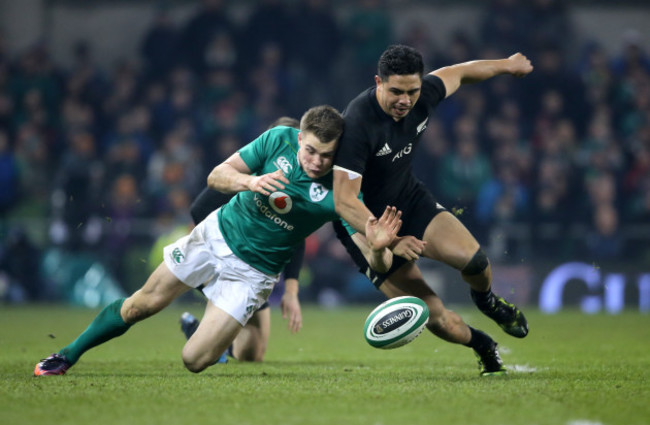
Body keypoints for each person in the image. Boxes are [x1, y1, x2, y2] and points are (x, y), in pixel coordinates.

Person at [34, 105, 406, 376]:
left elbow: (378, 267)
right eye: (309, 151)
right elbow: (217, 175)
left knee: (194, 360)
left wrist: (379, 247)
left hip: (253, 276)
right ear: (299, 138)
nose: (316, 162)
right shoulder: (277, 139)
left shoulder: (343, 191)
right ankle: (66, 355)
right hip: (216, 237)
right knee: (140, 306)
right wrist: (250, 182)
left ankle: (205, 330)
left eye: (326, 156)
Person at [332, 44, 534, 376]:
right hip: (363, 226)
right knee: (431, 313)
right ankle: (483, 346)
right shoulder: (357, 123)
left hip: (408, 199)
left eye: (412, 91)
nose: (405, 100)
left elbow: (462, 71)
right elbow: (344, 201)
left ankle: (488, 302)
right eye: (396, 91)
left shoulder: (424, 93)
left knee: (476, 262)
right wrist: (392, 242)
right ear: (378, 82)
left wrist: (506, 64)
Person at [180, 116, 304, 363]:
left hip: (256, 271)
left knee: (252, 354)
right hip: (228, 261)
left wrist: (291, 290)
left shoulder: (299, 186)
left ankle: (200, 333)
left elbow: (295, 237)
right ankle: (206, 341)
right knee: (215, 341)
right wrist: (228, 244)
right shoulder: (250, 176)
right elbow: (199, 209)